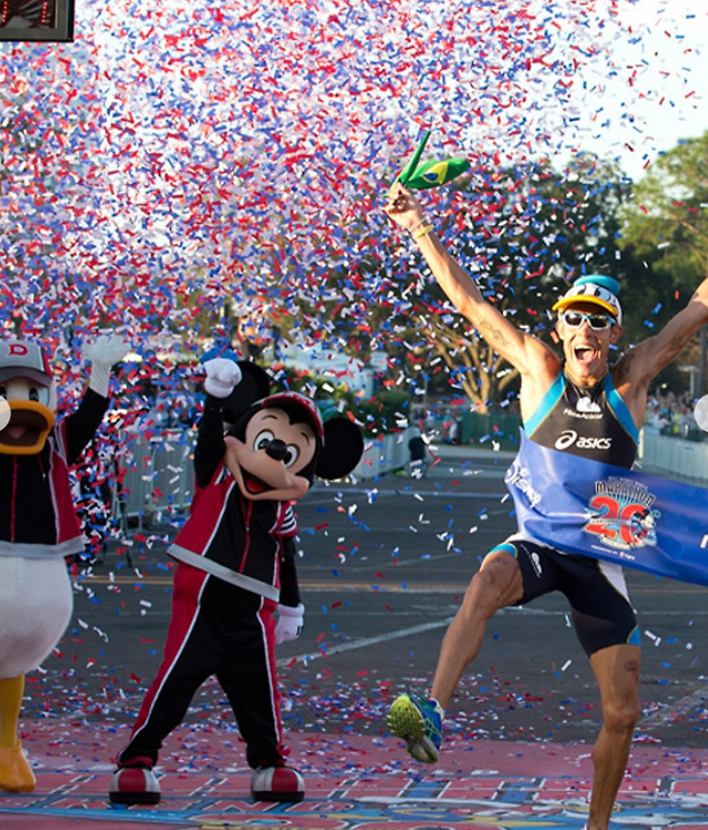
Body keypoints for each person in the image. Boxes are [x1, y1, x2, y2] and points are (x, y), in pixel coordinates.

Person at [383, 182, 708, 830]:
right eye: (574, 317)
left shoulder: (632, 378)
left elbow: (698, 307)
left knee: (623, 713)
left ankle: (596, 826)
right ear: (559, 327)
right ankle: (435, 712)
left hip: (599, 556)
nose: (585, 329)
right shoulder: (538, 369)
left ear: (614, 331)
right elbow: (470, 305)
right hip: (537, 545)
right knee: (485, 580)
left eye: (598, 318)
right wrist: (418, 227)